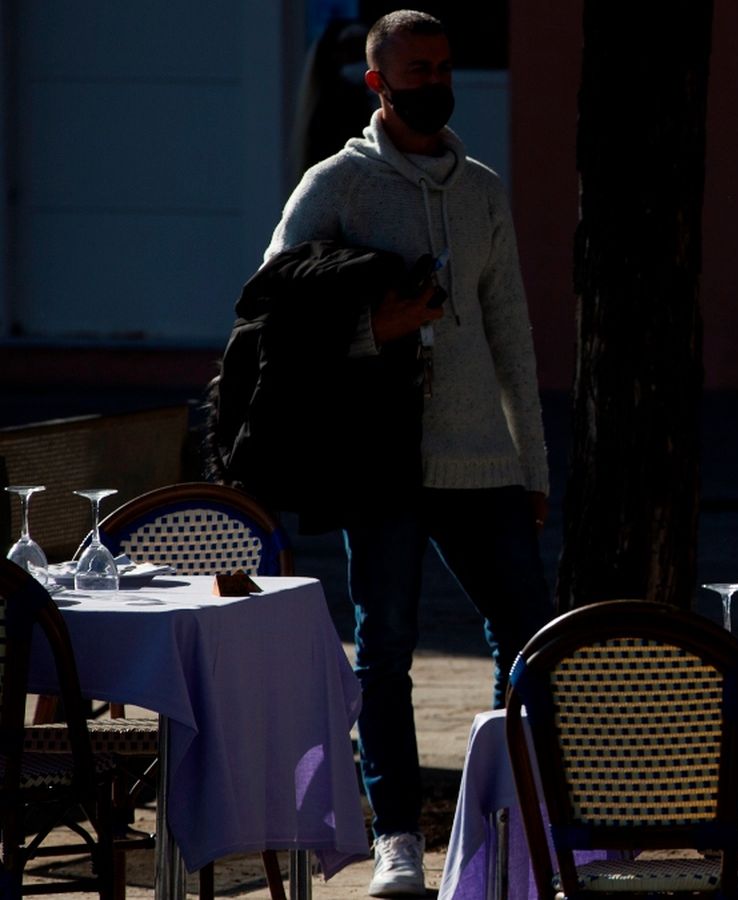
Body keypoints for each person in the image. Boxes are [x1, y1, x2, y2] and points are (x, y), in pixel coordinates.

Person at [261, 11, 553, 897]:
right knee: (384, 653)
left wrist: (532, 465)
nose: (435, 81)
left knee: (531, 643)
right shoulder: (337, 185)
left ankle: (508, 823)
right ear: (377, 84)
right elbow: (269, 307)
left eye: (444, 65)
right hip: (380, 462)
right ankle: (396, 838)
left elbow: (512, 333)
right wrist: (371, 328)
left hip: (483, 462)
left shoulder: (483, 190)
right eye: (416, 69)